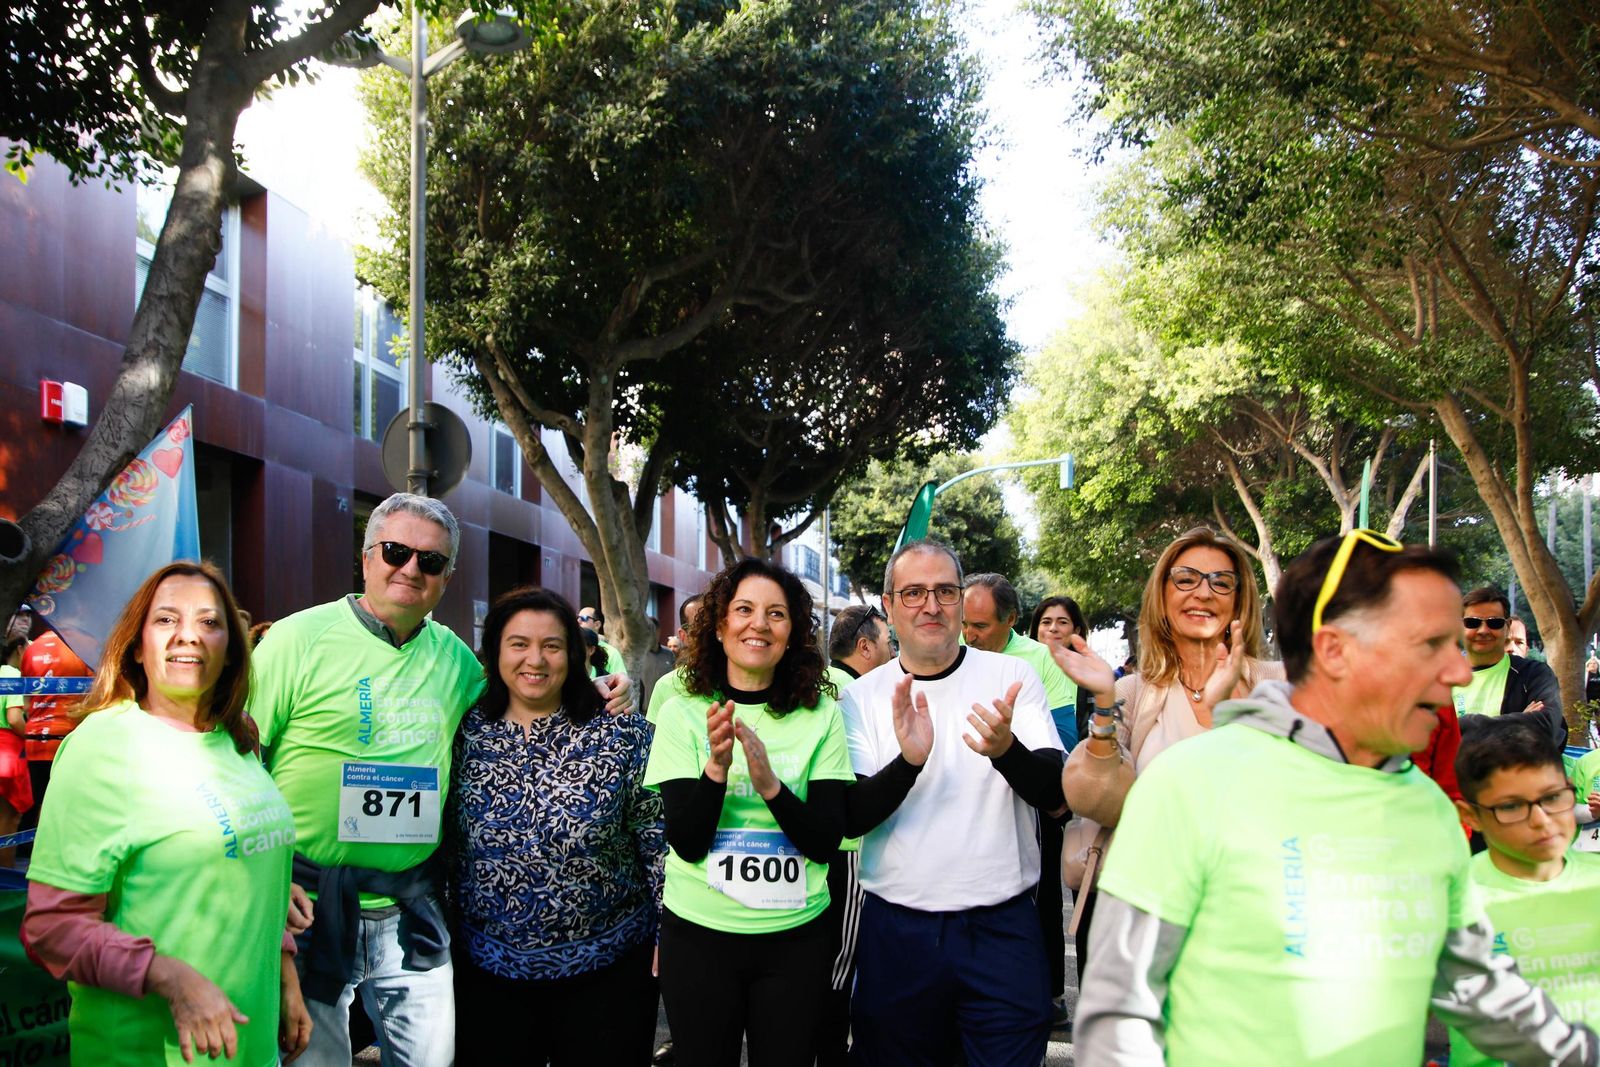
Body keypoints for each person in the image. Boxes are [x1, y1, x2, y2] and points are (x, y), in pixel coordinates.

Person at [1075, 530, 1600, 1064]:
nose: (1461, 672)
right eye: (1429, 645)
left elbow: (1477, 988)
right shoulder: (1189, 783)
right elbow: (1119, 1017)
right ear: (1334, 650)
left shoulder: (1429, 809)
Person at [249, 492, 631, 1065]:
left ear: (447, 576)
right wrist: (265, 887)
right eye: (396, 552)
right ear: (366, 555)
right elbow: (241, 760)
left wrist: (595, 693)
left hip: (412, 909)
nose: (410, 569)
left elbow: (520, 699)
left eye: (430, 561)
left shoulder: (453, 658)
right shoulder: (296, 641)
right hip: (307, 905)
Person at [24, 561, 309, 1065]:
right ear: (137, 645)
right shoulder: (103, 747)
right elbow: (53, 930)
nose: (188, 637)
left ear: (231, 649)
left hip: (251, 1046)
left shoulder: (238, 736)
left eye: (209, 622)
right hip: (144, 1051)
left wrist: (286, 977)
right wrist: (170, 977)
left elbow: (230, 863)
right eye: (166, 620)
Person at [840, 540, 1066, 1067]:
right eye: (914, 592)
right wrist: (909, 762)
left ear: (962, 601)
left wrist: (1006, 751)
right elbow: (852, 815)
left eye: (945, 590)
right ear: (890, 605)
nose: (931, 605)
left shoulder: (1012, 678)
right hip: (898, 932)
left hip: (1001, 930)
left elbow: (1056, 796)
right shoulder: (861, 697)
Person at [644, 557, 853, 1067]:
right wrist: (717, 768)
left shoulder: (821, 713)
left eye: (776, 614)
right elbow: (688, 842)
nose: (759, 624)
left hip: (796, 940)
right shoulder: (681, 710)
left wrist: (771, 786)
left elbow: (826, 841)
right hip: (698, 936)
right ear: (719, 627)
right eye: (744, 610)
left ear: (791, 633)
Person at [448, 588, 664, 1065]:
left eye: (552, 645)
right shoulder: (462, 731)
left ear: (576, 652)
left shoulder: (623, 734)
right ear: (494, 652)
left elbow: (658, 841)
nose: (536, 660)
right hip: (486, 975)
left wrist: (672, 934)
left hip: (609, 973)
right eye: (519, 644)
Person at [1056, 526, 1277, 980]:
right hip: (1140, 918)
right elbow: (1095, 799)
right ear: (1163, 594)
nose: (1204, 593)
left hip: (1246, 923)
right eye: (1187, 579)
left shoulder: (1278, 684)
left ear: (1240, 599)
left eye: (1221, 582)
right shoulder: (1132, 692)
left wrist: (1224, 716)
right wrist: (1101, 703)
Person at [1448, 717, 1600, 1067]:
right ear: (1470, 815)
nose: (1542, 820)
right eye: (1512, 806)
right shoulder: (1451, 899)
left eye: (1552, 798)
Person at [963, 575, 1077, 1029]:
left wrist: (1014, 757)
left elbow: (1065, 735)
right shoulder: (953, 651)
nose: (968, 636)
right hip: (969, 802)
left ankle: (1048, 995)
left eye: (980, 626)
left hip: (1031, 798)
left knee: (1042, 898)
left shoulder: (1039, 660)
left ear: (1010, 620)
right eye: (964, 625)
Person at [816, 603, 895, 1066]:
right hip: (848, 851)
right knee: (839, 967)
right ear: (864, 646)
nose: (892, 652)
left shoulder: (826, 685)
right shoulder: (856, 695)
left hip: (818, 845)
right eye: (888, 643)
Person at [1454, 586, 1565, 749]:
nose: (1483, 630)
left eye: (1494, 623)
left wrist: (1457, 727)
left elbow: (1546, 727)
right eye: (1472, 622)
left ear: (1507, 626)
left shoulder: (1533, 674)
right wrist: (1520, 722)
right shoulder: (1441, 678)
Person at [19, 627, 90, 837]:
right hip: (68, 738)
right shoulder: (82, 644)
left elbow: (25, 702)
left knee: (41, 803)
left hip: (34, 738)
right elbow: (93, 697)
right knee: (63, 808)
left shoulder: (33, 648)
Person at [0, 626, 32, 867]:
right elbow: (13, 718)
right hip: (8, 751)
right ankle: (7, 879)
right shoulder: (11, 674)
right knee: (10, 818)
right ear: (19, 650)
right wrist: (31, 735)